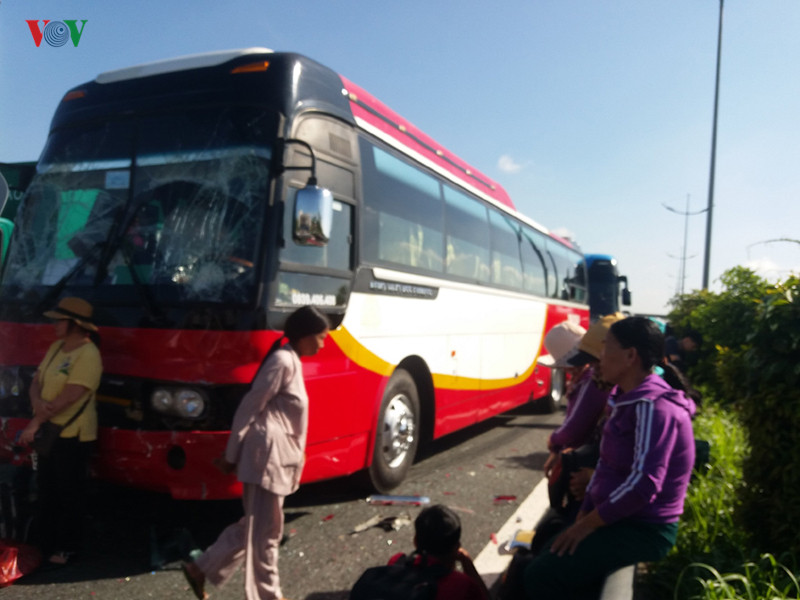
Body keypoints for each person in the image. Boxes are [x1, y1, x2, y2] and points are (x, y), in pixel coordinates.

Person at [522, 316, 696, 599]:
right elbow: (606, 464)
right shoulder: (625, 398)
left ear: (630, 356)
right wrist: (584, 512)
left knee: (541, 574)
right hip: (618, 517)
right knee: (546, 551)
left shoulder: (652, 408)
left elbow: (643, 485)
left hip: (644, 528)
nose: (599, 358)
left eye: (605, 348)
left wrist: (585, 525)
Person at [181, 305, 330, 600]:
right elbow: (251, 406)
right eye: (321, 337)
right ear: (305, 336)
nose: (323, 344)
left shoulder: (291, 360)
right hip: (267, 459)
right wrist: (231, 454)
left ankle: (200, 568)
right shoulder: (282, 361)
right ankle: (269, 596)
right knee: (266, 536)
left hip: (275, 458)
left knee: (256, 527)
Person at [18, 296, 103, 566]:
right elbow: (36, 381)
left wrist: (35, 423)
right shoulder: (57, 347)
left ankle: (68, 547)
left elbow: (69, 397)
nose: (54, 324)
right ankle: (44, 544)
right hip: (49, 432)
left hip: (71, 435)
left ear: (75, 324)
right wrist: (36, 402)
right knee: (47, 489)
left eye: (59, 320)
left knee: (70, 493)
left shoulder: (89, 355)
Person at [353, 504, 489, 600]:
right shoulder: (461, 584)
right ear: (456, 547)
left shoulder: (396, 561)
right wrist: (467, 564)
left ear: (415, 541)